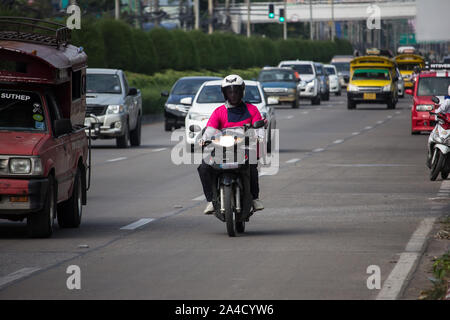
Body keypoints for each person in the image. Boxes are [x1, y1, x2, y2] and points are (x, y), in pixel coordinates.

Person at [197, 74, 264, 214]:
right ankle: (210, 200)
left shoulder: (252, 109)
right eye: (229, 91)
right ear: (225, 93)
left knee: (252, 167)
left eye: (236, 91)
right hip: (222, 149)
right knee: (203, 167)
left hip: (245, 148)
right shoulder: (219, 111)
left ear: (242, 91)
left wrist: (259, 136)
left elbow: (259, 128)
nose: (233, 95)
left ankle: (255, 198)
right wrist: (203, 139)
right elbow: (210, 130)